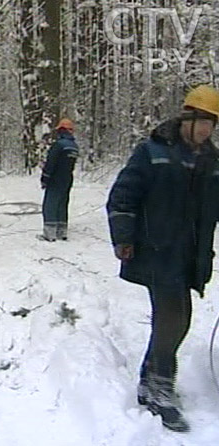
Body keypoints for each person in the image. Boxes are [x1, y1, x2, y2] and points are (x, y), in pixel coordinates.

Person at [106, 85, 219, 432]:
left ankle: (149, 379)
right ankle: (160, 388)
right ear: (187, 117)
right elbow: (122, 196)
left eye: (213, 125)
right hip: (156, 250)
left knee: (178, 319)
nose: (208, 131)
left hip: (189, 255)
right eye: (204, 122)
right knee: (173, 319)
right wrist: (123, 237)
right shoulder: (152, 152)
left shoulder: (211, 162)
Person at [40, 118, 79, 241]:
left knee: (50, 204)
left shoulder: (59, 145)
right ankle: (62, 232)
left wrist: (45, 178)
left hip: (55, 178)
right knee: (62, 203)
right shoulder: (74, 146)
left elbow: (51, 163)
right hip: (68, 178)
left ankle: (49, 234)